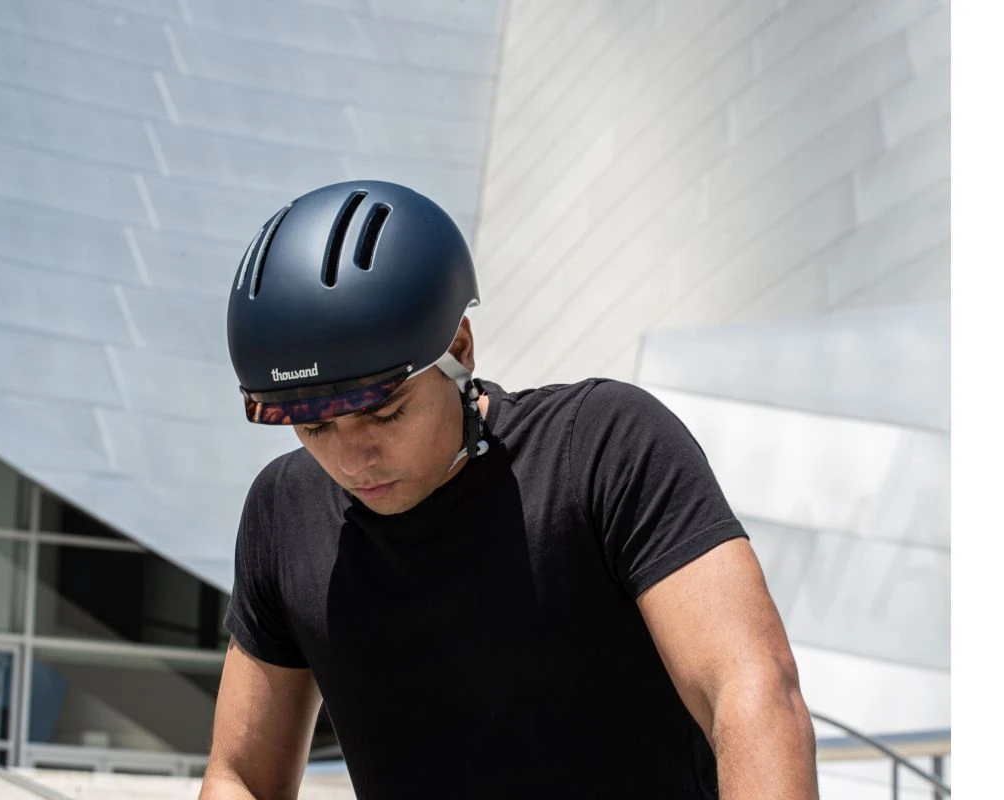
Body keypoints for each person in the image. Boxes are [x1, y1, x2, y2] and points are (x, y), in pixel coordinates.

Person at [199, 180, 818, 799]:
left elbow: (752, 690)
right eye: (313, 426)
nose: (351, 459)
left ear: (459, 349)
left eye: (385, 413)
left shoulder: (604, 447)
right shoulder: (283, 515)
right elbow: (240, 777)